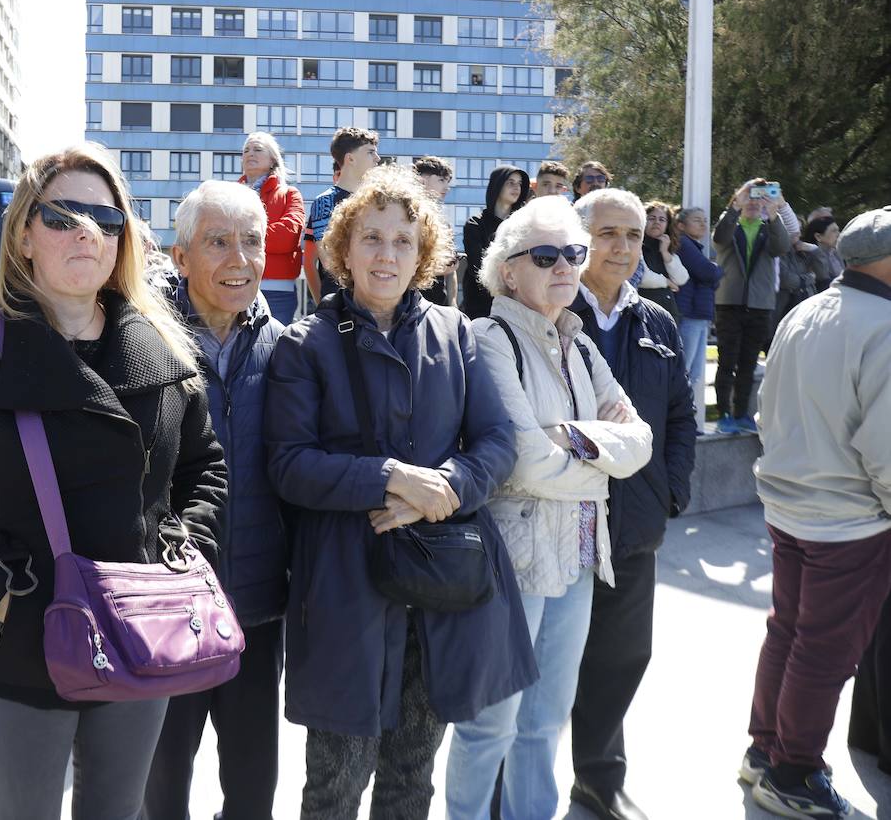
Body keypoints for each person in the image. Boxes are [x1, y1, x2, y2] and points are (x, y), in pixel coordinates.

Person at [0, 143, 227, 819]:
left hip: (141, 633)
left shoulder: (162, 345)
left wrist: (179, 560)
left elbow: (203, 468)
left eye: (106, 218)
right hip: (21, 646)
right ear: (24, 235)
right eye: (63, 214)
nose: (86, 232)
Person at [266, 164, 531, 818]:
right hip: (344, 598)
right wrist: (389, 476)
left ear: (425, 253)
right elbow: (290, 464)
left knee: (412, 780)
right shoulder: (306, 345)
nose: (387, 254)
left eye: (403, 241)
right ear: (344, 248)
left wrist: (446, 484)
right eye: (373, 238)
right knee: (334, 785)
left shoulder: (456, 333)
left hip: (438, 596)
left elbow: (499, 441)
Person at [446, 197, 652, 820]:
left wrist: (569, 437)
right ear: (509, 270)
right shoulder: (490, 338)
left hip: (581, 553)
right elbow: (524, 462)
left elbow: (639, 441)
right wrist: (597, 459)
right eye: (545, 255)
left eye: (573, 253)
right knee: (491, 725)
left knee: (546, 722)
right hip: (515, 559)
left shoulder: (582, 345)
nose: (565, 266)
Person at [144, 180, 288, 820]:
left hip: (256, 610)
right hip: (167, 613)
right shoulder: (141, 343)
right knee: (161, 789)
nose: (239, 259)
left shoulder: (287, 348)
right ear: (180, 258)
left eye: (252, 242)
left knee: (253, 792)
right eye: (218, 242)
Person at [741, 208, 891, 820]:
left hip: (789, 503)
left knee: (788, 632)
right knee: (823, 651)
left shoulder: (807, 310)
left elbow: (764, 409)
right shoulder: (885, 324)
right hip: (849, 518)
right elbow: (886, 449)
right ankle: (793, 771)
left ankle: (765, 752)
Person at [567, 188, 697, 820]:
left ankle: (598, 775)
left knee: (622, 657)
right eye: (608, 233)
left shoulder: (658, 321)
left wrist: (672, 489)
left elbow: (680, 412)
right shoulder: (550, 307)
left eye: (633, 235)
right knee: (548, 661)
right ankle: (518, 779)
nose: (622, 247)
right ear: (579, 236)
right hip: (562, 520)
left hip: (636, 522)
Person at [710, 178, 792, 435]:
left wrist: (775, 212)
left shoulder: (769, 227)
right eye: (751, 196)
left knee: (748, 363)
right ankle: (723, 413)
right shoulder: (730, 224)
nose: (755, 202)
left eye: (761, 197)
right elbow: (720, 238)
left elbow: (782, 247)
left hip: (759, 306)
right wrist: (736, 206)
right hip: (730, 304)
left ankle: (741, 412)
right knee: (727, 361)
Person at [302, 127, 380, 303]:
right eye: (370, 152)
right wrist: (323, 304)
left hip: (376, 301)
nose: (377, 158)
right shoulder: (325, 201)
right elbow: (329, 260)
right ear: (350, 158)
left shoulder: (377, 201)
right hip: (342, 304)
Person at [239, 131, 304, 325]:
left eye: (258, 149)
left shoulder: (289, 195)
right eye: (246, 150)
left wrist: (242, 237)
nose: (250, 153)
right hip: (234, 285)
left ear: (273, 159)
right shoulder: (228, 196)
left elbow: (287, 238)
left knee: (276, 351)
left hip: (277, 292)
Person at [674, 207, 723, 434]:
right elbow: (707, 273)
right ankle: (678, 421)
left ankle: (685, 421)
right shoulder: (684, 244)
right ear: (681, 225)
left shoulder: (696, 247)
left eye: (705, 220)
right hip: (690, 314)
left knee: (694, 373)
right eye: (697, 220)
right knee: (685, 372)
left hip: (700, 315)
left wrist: (712, 274)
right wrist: (714, 271)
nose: (703, 224)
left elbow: (709, 276)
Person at [461, 165, 531, 319]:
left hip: (517, 308)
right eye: (510, 182)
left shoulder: (524, 226)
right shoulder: (475, 224)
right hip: (481, 308)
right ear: (497, 185)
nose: (516, 187)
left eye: (519, 183)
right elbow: (477, 267)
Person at [413, 155, 459, 307]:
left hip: (440, 303)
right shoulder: (408, 218)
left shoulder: (443, 223)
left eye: (447, 181)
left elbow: (451, 270)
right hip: (411, 301)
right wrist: (436, 270)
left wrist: (453, 302)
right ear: (422, 180)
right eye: (441, 180)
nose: (447, 187)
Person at [636, 202, 688, 323]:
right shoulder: (636, 245)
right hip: (643, 312)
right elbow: (641, 277)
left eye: (662, 219)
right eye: (652, 218)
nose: (657, 222)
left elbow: (681, 279)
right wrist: (667, 282)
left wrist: (665, 252)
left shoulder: (667, 247)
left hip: (668, 314)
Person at [796, 216, 844, 294]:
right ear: (818, 236)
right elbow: (823, 279)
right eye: (834, 231)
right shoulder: (808, 255)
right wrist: (816, 251)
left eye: (838, 230)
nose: (839, 234)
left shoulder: (836, 253)